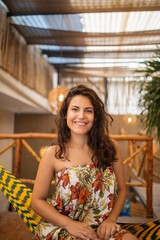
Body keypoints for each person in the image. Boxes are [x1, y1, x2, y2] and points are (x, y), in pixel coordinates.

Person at [31, 84, 137, 240]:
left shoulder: (111, 148)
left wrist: (111, 220)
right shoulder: (52, 153)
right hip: (63, 227)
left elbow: (122, 190)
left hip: (102, 228)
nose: (81, 116)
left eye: (88, 111)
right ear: (66, 114)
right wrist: (68, 224)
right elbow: (37, 201)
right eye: (75, 109)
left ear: (95, 116)